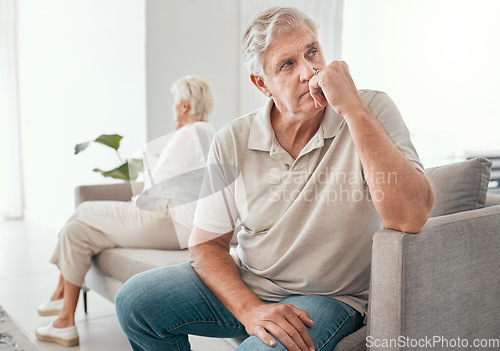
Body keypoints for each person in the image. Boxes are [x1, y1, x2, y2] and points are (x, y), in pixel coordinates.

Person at [115, 7, 434, 351]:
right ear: (262, 84)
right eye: (287, 64)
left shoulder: (371, 108)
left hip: (330, 299)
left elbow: (409, 217)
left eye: (312, 52)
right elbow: (207, 245)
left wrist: (353, 109)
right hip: (253, 284)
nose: (309, 71)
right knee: (135, 300)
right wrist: (250, 310)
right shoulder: (233, 139)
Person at [35, 76, 217, 347]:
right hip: (185, 223)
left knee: (83, 211)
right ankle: (63, 314)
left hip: (170, 221)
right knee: (78, 229)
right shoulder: (210, 132)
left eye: (175, 103)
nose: (173, 108)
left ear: (184, 106)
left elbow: (157, 186)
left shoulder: (188, 133)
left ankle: (62, 306)